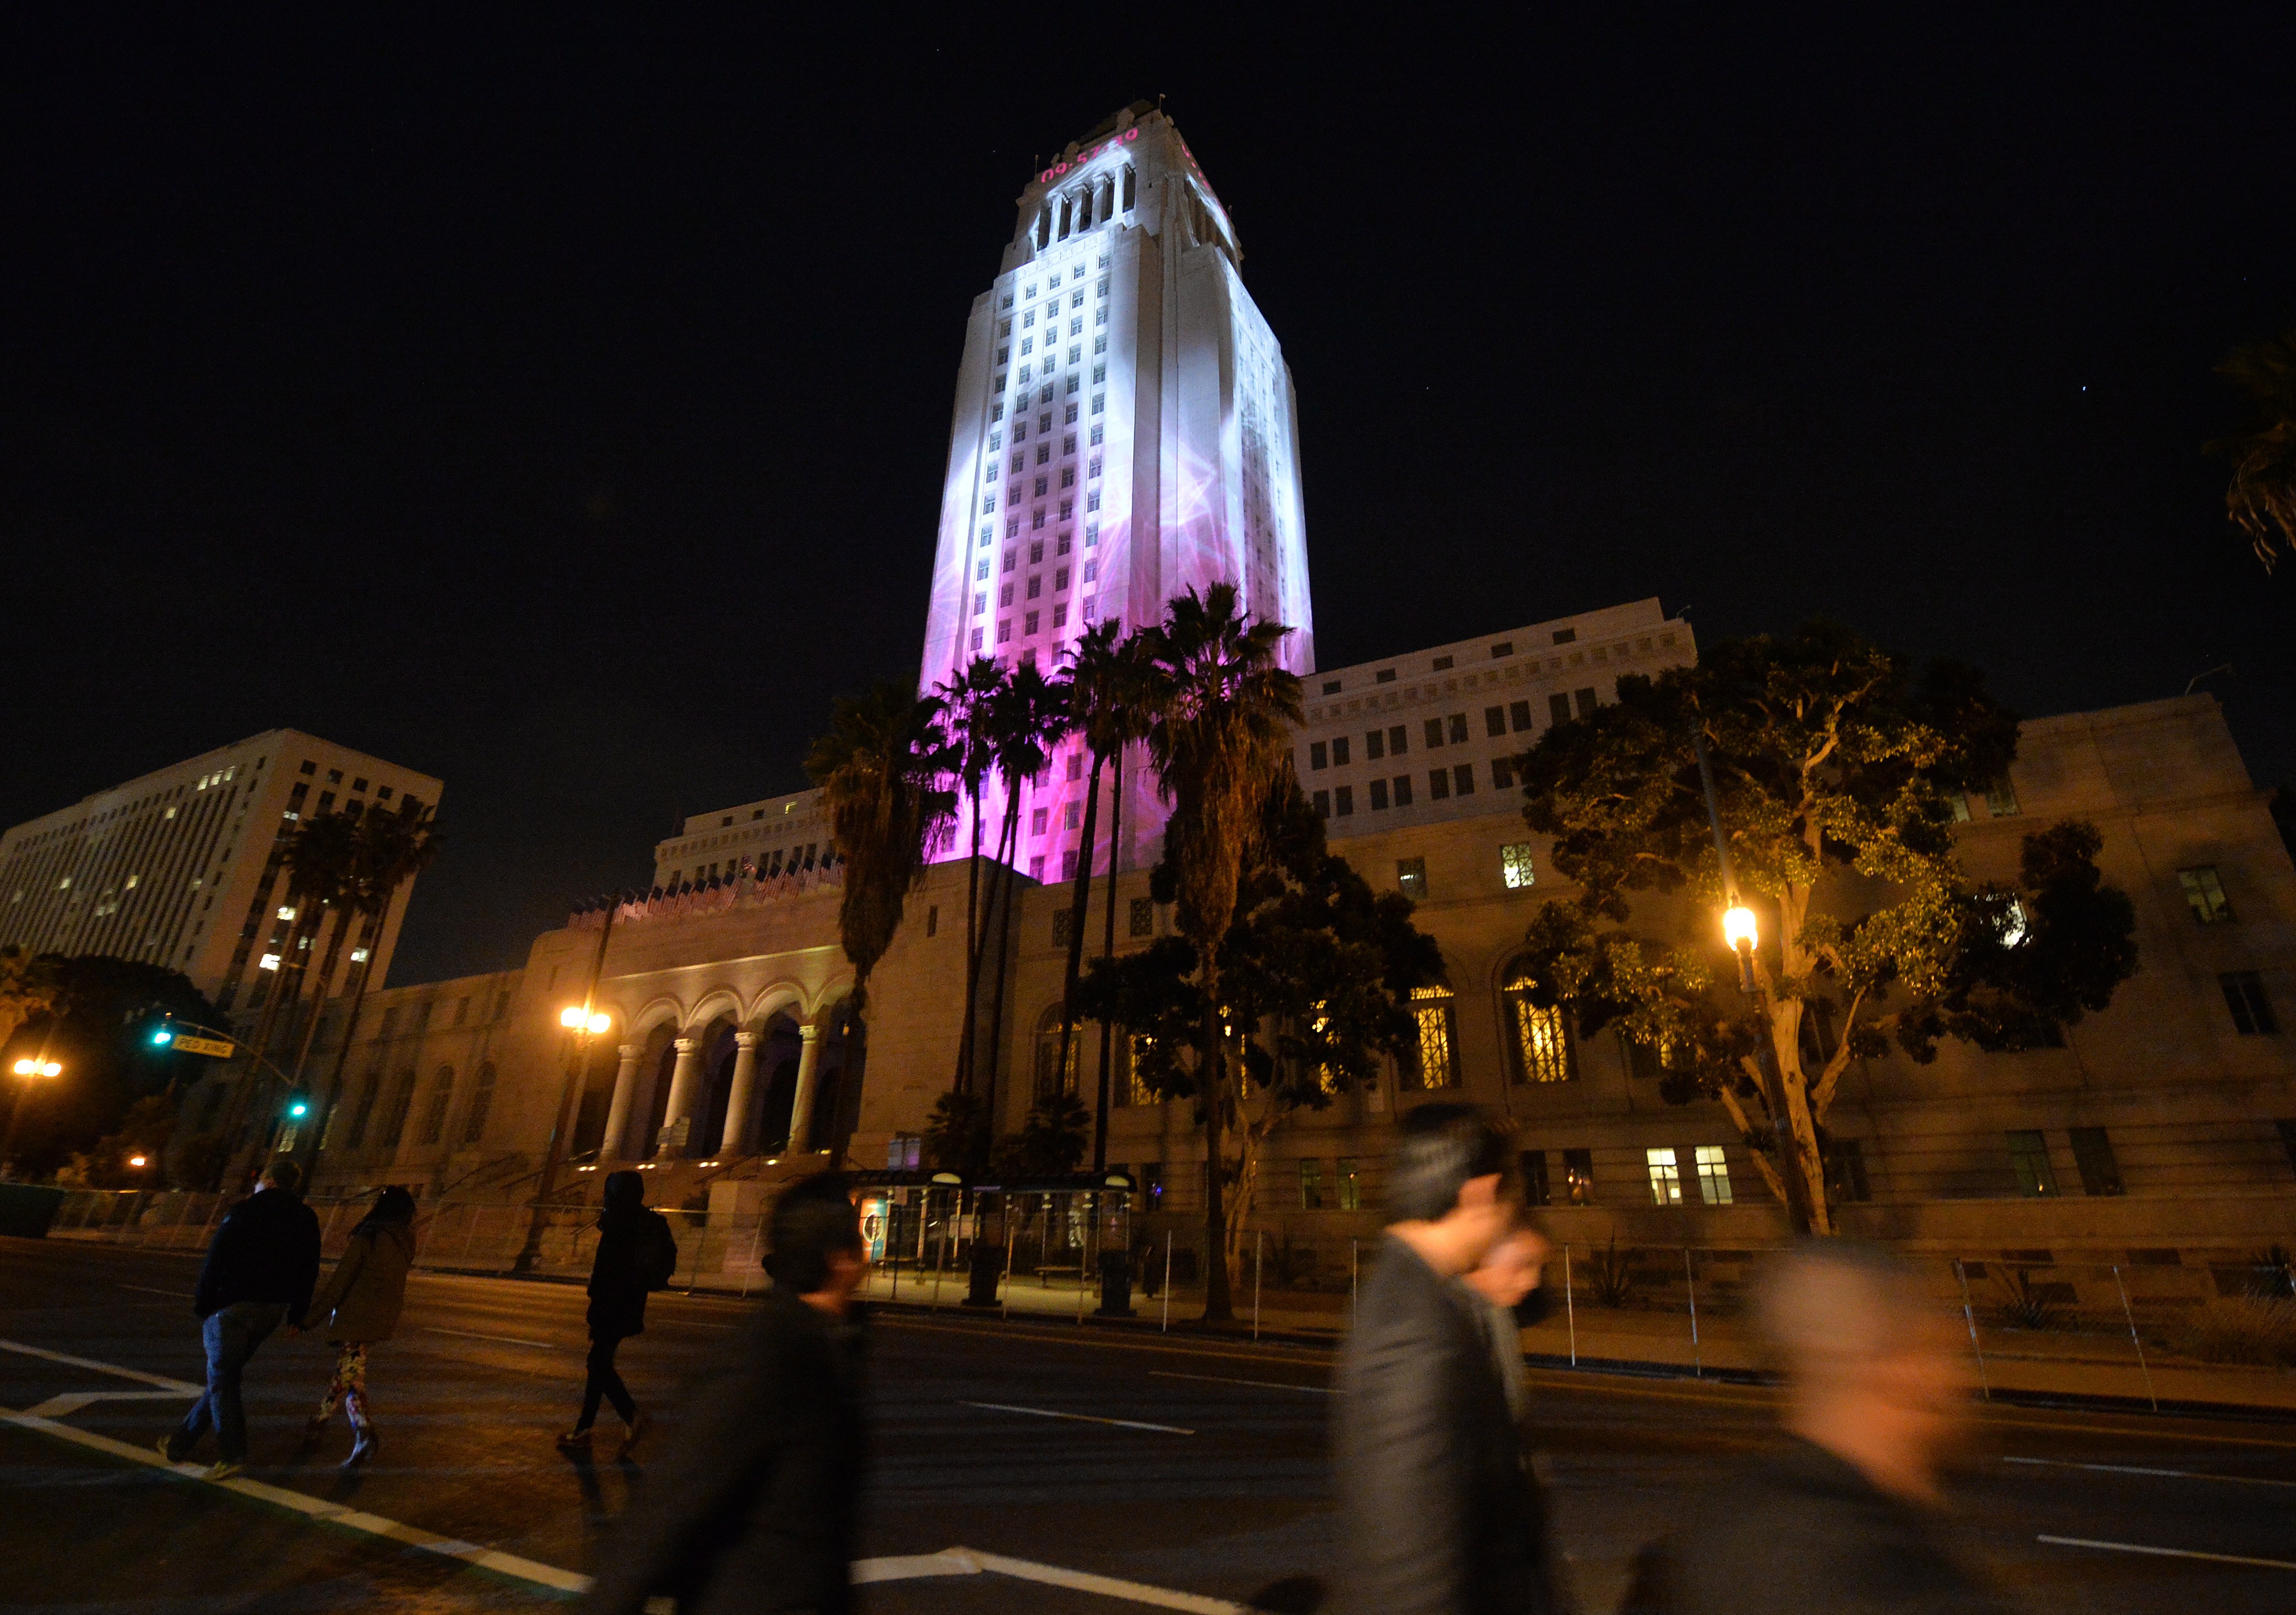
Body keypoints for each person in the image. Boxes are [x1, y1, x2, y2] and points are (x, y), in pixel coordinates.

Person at [1620, 1240, 2010, 1615]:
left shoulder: (1707, 1532)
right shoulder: (1903, 1583)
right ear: (1900, 1367)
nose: (1962, 1375)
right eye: (1941, 1345)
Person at [580, 1171, 870, 1615]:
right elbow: (664, 1507)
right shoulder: (766, 1356)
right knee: (598, 1365)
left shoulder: (830, 1346)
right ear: (840, 1259)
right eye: (859, 1241)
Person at [1333, 1103, 1564, 1615]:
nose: (1509, 1216)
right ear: (1480, 1193)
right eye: (1509, 1197)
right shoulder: (1411, 1329)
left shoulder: (1430, 1299)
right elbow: (1408, 1564)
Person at [159, 1159, 322, 1481]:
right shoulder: (306, 1217)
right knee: (225, 1378)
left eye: (261, 1178)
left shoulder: (244, 1211)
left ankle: (232, 1453)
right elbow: (309, 1269)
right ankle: (180, 1443)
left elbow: (216, 1258)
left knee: (223, 1378)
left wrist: (203, 1303)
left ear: (270, 1180)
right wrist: (297, 1314)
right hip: (272, 1309)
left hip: (232, 1307)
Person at [558, 1167, 676, 1459]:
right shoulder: (642, 1220)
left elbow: (606, 1272)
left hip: (611, 1305)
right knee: (599, 1364)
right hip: (630, 1302)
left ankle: (631, 1415)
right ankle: (584, 1430)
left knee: (598, 1363)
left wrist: (596, 1305)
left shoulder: (618, 1222)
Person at [298, 1184, 416, 1467]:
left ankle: (363, 1434)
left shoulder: (370, 1235)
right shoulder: (405, 1241)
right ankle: (319, 1423)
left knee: (349, 1376)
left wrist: (308, 1320)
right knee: (350, 1374)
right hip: (381, 1317)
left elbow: (340, 1283)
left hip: (356, 1316)